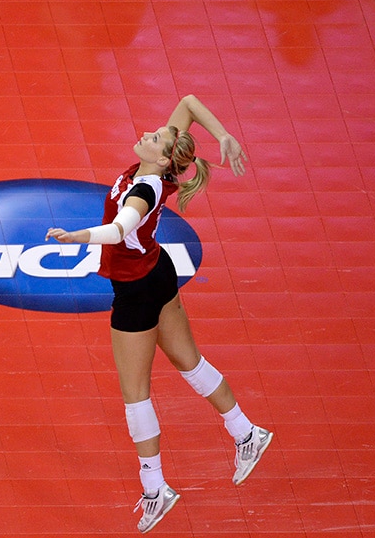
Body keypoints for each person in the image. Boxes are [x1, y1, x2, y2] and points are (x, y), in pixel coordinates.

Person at [45, 94, 272, 534]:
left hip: (137, 291)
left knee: (136, 394)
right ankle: (246, 432)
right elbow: (188, 102)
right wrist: (223, 135)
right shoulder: (158, 166)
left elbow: (118, 230)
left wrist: (77, 237)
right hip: (157, 269)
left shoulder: (146, 189)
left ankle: (155, 490)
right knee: (189, 363)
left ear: (165, 158)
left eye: (155, 137)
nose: (147, 133)